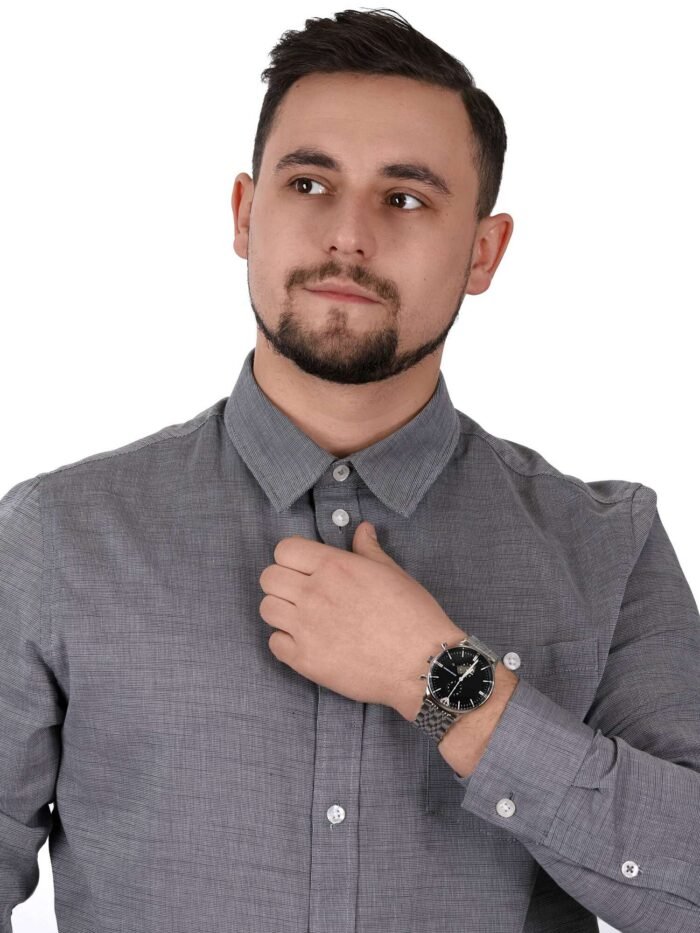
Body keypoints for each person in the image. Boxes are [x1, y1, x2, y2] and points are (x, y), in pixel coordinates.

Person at [1, 7, 698, 932]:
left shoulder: (608, 547)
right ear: (246, 214)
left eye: (404, 198)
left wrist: (441, 681)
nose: (349, 235)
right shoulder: (57, 536)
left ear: (483, 251)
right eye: (309, 183)